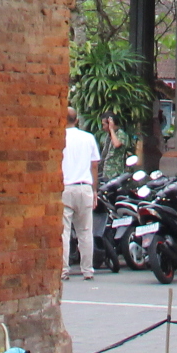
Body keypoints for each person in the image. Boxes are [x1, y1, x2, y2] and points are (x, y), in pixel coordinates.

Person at [61, 108, 100, 281]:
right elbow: (94, 165)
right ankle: (87, 270)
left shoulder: (59, 137)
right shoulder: (88, 138)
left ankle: (64, 270)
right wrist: (94, 189)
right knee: (85, 231)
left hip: (65, 188)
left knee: (64, 231)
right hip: (84, 187)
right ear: (76, 120)